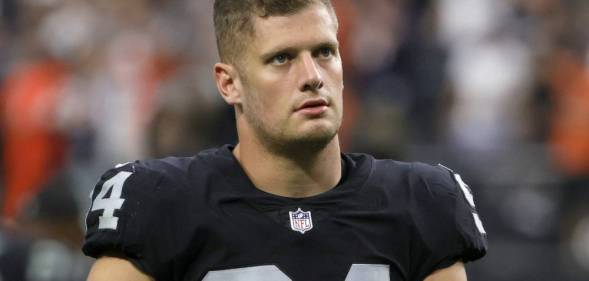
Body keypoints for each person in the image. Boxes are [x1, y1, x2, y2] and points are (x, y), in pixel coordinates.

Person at [83, 0, 487, 280]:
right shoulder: (157, 203)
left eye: (326, 52)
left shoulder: (423, 200)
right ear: (229, 84)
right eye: (282, 58)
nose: (312, 75)